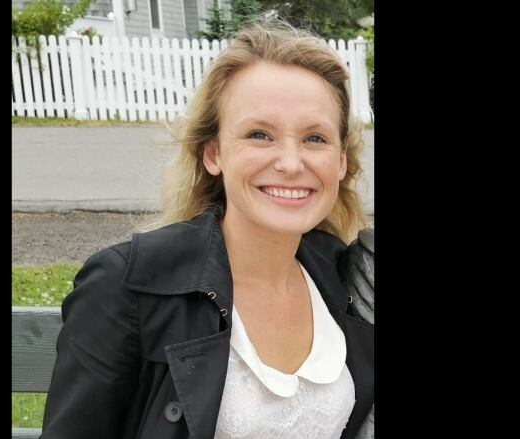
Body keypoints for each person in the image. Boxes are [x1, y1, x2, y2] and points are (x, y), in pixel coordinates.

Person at [40, 19, 374, 439]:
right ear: (213, 153)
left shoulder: (345, 277)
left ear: (341, 161)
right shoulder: (129, 286)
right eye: (259, 134)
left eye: (315, 139)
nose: (291, 163)